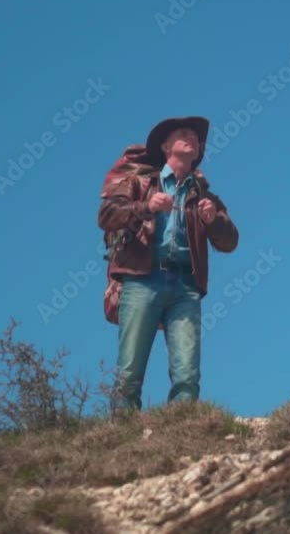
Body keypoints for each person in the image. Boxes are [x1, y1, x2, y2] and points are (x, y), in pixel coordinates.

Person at [97, 116, 238, 412]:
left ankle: (181, 428)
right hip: (141, 279)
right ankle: (122, 429)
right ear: (165, 146)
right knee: (129, 371)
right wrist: (145, 207)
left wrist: (214, 221)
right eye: (184, 133)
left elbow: (230, 242)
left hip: (186, 286)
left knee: (187, 374)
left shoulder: (204, 196)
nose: (192, 138)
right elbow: (106, 215)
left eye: (196, 137)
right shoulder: (141, 182)